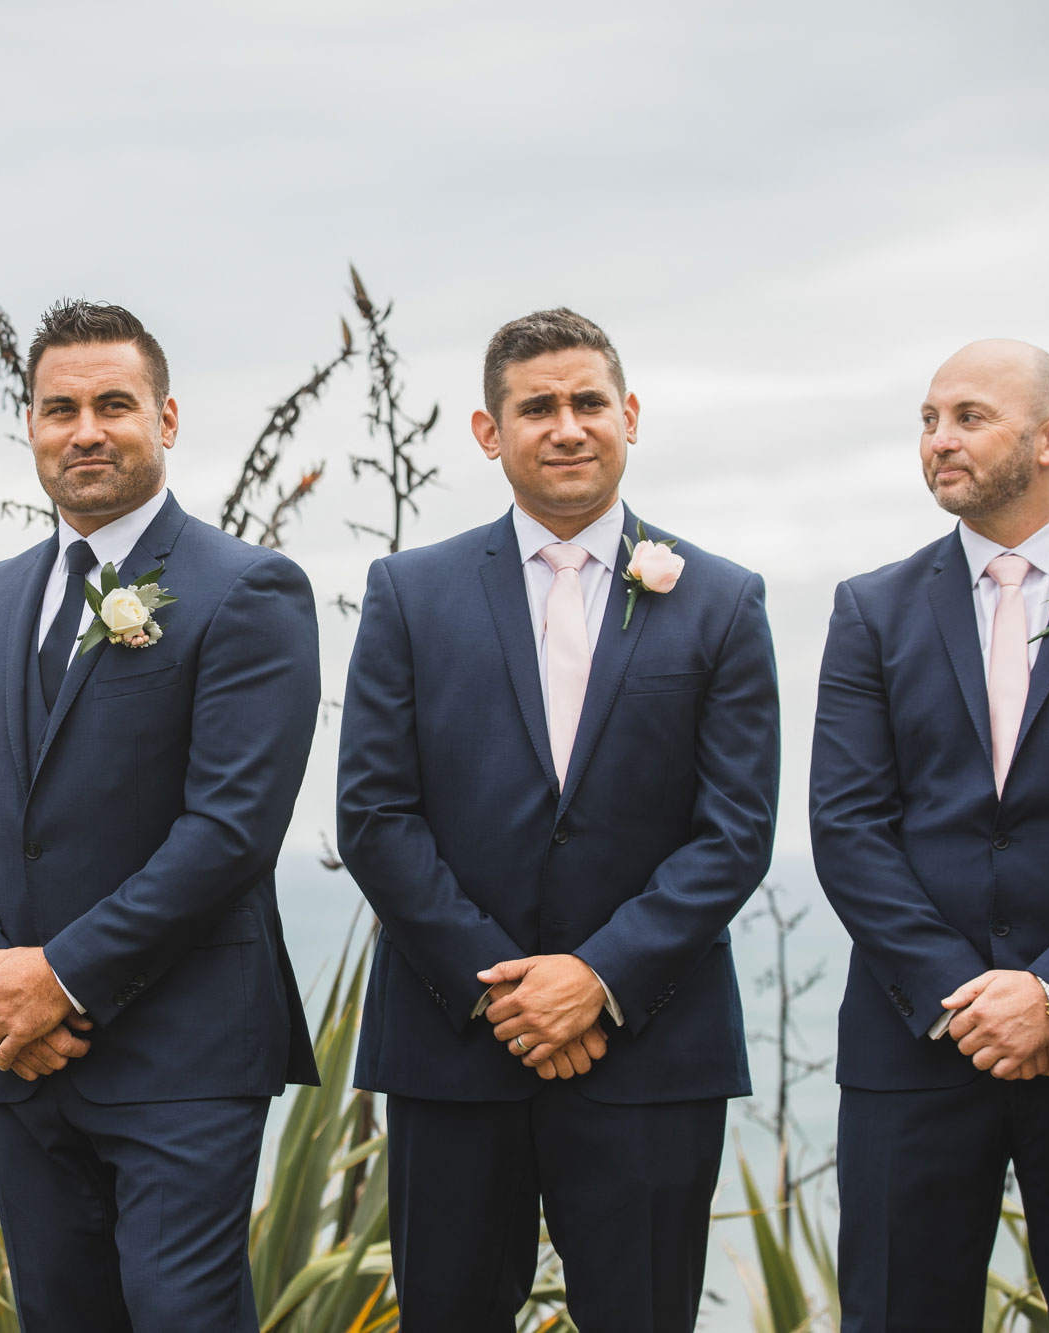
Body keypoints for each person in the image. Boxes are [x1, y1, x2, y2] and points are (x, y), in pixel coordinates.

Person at [337, 308, 780, 1331]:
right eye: (535, 407)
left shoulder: (718, 600)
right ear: (488, 433)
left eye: (587, 402)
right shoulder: (408, 593)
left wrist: (595, 977)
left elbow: (732, 830)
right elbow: (372, 813)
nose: (566, 425)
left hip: (647, 1048)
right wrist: (503, 992)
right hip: (455, 1047)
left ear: (628, 416)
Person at [0, 299, 320, 1331]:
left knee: (182, 1315)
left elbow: (229, 830)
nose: (83, 430)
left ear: (166, 419)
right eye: (58, 409)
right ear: (32, 427)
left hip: (182, 1055)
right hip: (22, 1058)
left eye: (112, 405)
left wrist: (64, 976)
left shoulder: (248, 590)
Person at [811, 340, 1049, 1330]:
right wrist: (963, 1001)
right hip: (914, 1043)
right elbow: (845, 824)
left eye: (967, 417)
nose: (937, 441)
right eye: (927, 420)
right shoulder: (868, 610)